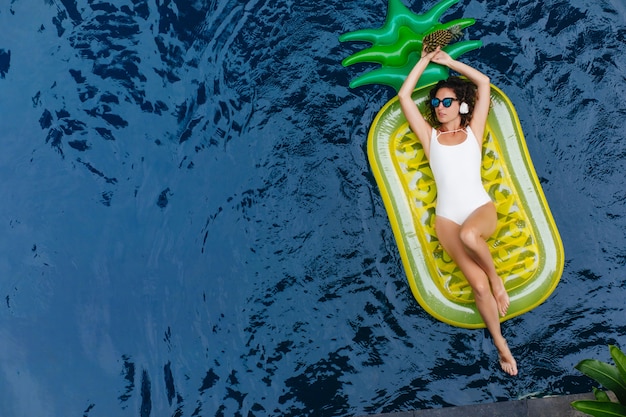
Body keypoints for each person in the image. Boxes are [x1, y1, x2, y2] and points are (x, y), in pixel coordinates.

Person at [398, 45, 518, 376]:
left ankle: (497, 280)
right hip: (447, 218)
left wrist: (450, 62)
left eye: (447, 101)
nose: (439, 107)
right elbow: (405, 97)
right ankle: (501, 344)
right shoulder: (430, 137)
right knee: (475, 285)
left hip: (479, 209)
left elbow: (484, 83)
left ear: (461, 105)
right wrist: (423, 60)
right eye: (436, 103)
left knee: (471, 237)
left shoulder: (472, 132)